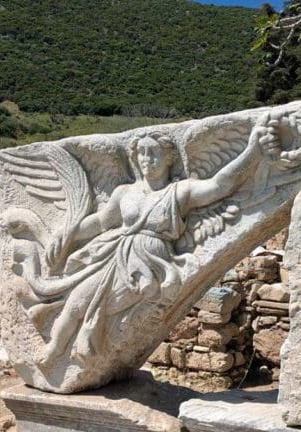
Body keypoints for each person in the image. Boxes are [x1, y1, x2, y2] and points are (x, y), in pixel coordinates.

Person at [36, 117, 279, 368]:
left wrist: (253, 151)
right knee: (76, 301)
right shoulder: (125, 192)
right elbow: (100, 222)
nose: (145, 158)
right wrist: (68, 233)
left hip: (151, 261)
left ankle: (95, 353)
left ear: (169, 158)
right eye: (140, 152)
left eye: (153, 152)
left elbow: (219, 186)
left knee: (115, 306)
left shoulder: (180, 191)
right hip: (113, 254)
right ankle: (54, 349)